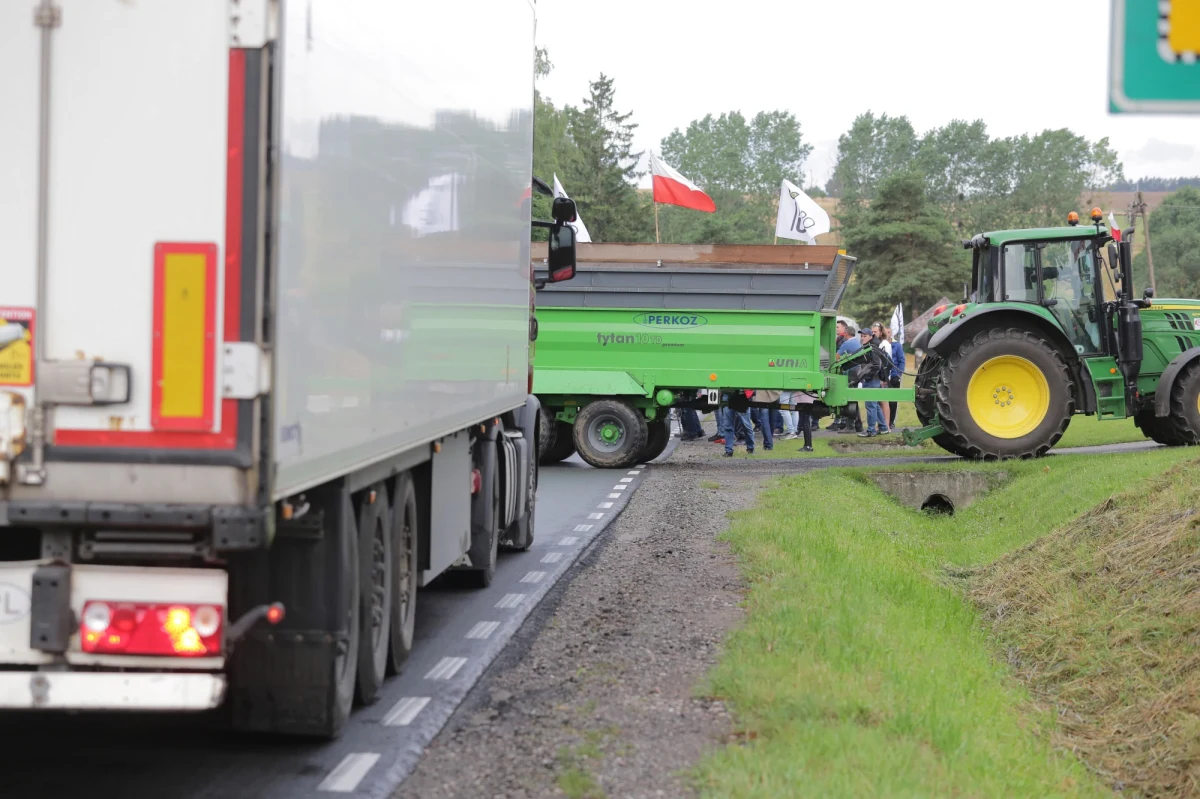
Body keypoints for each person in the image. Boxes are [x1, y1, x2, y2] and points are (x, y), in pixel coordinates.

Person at [856, 327, 888, 437]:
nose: (862, 338)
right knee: (875, 405)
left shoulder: (872, 348)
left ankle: (871, 430)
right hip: (875, 380)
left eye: (865, 336)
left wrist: (866, 376)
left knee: (870, 406)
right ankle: (883, 428)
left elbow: (876, 365)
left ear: (870, 336)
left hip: (872, 380)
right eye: (862, 336)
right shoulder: (870, 346)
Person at [870, 322, 896, 432]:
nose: (873, 334)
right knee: (880, 401)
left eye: (875, 332)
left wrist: (884, 378)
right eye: (872, 332)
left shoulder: (884, 344)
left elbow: (885, 362)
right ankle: (882, 425)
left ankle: (887, 425)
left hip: (883, 376)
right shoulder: (879, 343)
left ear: (881, 332)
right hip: (882, 376)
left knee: (884, 401)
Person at [718, 390, 755, 456]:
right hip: (732, 395)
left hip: (739, 395)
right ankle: (729, 450)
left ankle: (750, 448)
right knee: (729, 426)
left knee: (745, 425)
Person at [884, 327, 905, 427]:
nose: (887, 334)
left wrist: (898, 374)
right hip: (884, 376)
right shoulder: (882, 344)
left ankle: (891, 421)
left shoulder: (897, 346)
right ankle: (884, 422)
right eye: (885, 332)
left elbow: (902, 361)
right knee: (883, 400)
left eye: (889, 332)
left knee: (893, 401)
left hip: (894, 375)